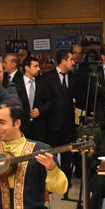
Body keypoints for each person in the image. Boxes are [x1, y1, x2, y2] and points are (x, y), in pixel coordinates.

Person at [43, 49, 76, 186]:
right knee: (52, 154)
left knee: (68, 154)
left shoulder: (73, 77)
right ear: (64, 61)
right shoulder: (48, 77)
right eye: (71, 60)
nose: (73, 62)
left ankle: (66, 181)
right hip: (53, 124)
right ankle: (52, 181)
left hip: (68, 124)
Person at [13, 56, 52, 143]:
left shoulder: (43, 82)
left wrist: (40, 110)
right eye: (35, 66)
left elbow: (50, 101)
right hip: (22, 127)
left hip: (39, 127)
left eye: (38, 66)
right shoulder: (16, 83)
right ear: (27, 68)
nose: (38, 69)